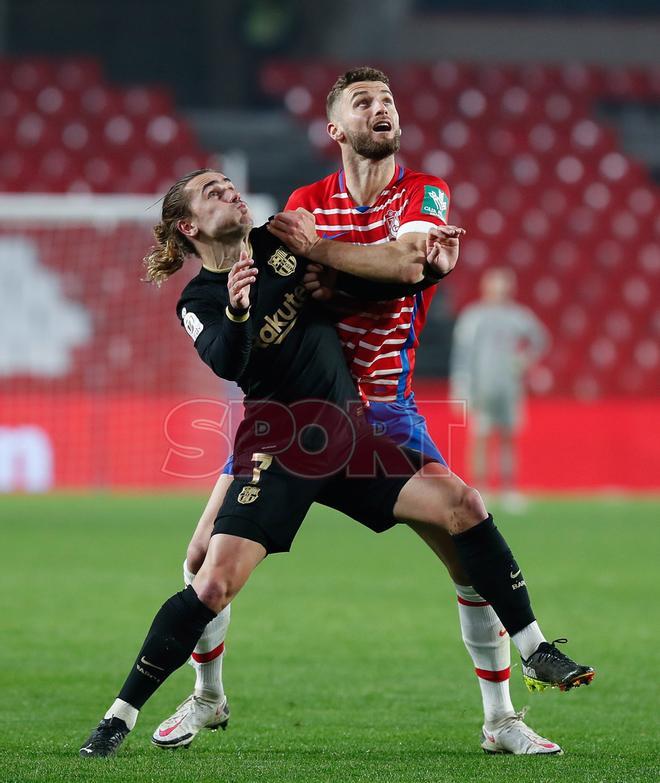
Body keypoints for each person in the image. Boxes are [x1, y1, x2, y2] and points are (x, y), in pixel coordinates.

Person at [79, 169, 593, 759]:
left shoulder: (284, 240)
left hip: (348, 433)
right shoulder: (198, 299)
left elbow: (367, 288)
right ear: (189, 226)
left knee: (464, 506)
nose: (231, 192)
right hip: (279, 440)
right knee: (211, 579)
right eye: (213, 191)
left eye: (230, 184)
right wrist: (240, 311)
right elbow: (226, 361)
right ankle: (126, 714)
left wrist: (431, 270)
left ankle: (535, 650)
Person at [451, 268, 549, 511]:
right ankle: (479, 489)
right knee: (480, 437)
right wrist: (460, 386)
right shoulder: (473, 317)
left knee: (508, 437)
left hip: (509, 386)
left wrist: (524, 360)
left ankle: (508, 489)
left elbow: (540, 338)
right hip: (481, 387)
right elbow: (462, 354)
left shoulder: (517, 316)